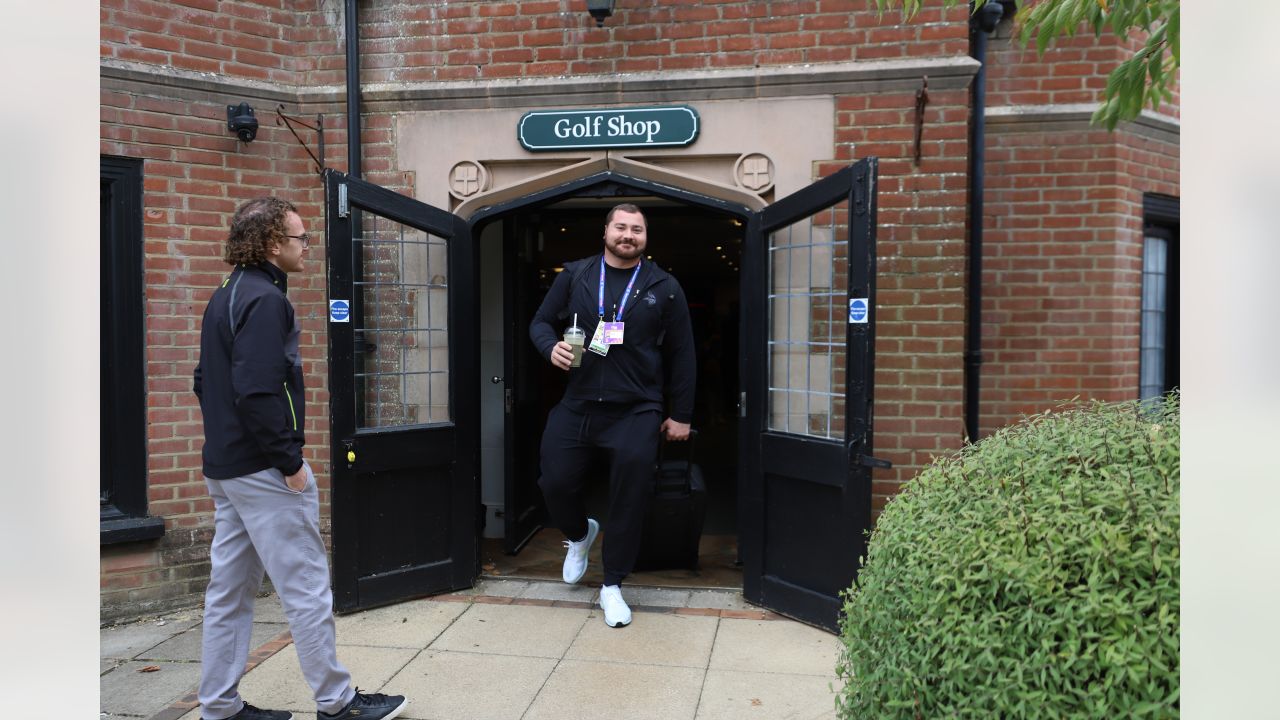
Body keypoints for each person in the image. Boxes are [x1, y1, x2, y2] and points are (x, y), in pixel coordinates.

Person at [193, 197, 408, 720]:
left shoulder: (225, 294)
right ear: (272, 243)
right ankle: (337, 704)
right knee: (307, 587)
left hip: (227, 467)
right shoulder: (266, 300)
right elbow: (258, 391)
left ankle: (219, 707)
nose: (307, 246)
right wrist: (289, 462)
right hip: (265, 471)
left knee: (228, 594)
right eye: (299, 237)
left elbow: (205, 382)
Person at [529, 203, 696, 628]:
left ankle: (613, 586)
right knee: (555, 480)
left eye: (637, 229)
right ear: (605, 231)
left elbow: (682, 355)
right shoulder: (576, 276)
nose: (628, 235)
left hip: (638, 408)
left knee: (630, 496)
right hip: (579, 402)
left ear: (645, 237)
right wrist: (550, 348)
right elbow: (541, 323)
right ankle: (581, 533)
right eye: (620, 227)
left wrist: (682, 415)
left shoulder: (664, 286)